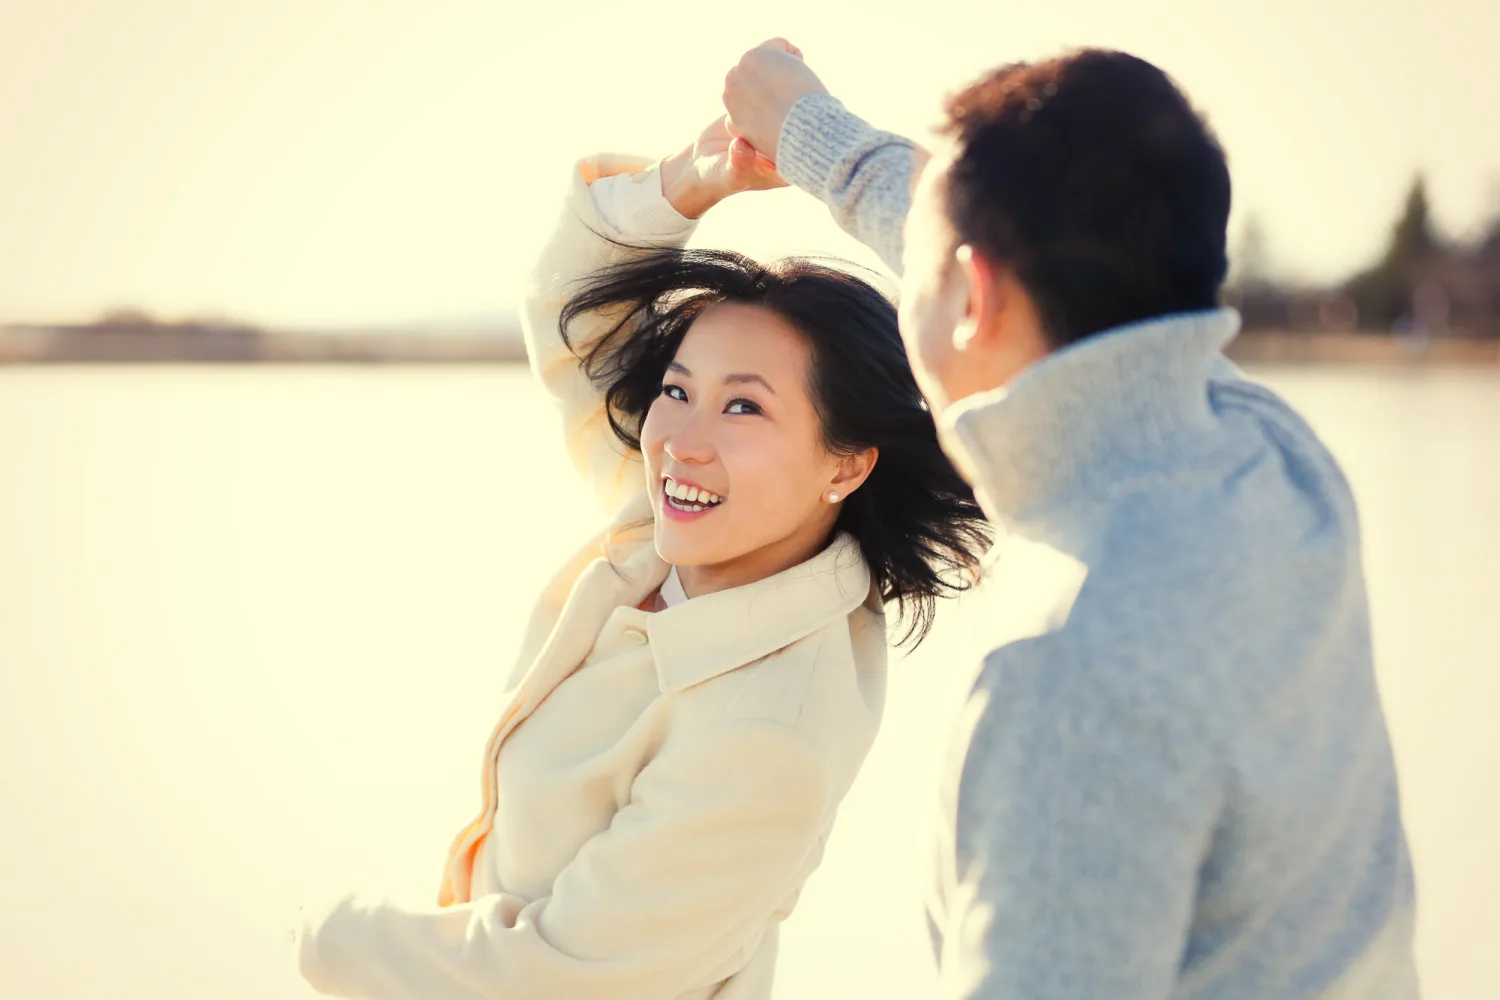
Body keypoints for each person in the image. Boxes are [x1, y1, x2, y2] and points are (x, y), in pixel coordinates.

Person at [722, 41, 1419, 999]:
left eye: (920, 269)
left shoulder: (1070, 670)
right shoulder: (1275, 455)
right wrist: (814, 135)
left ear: (975, 295)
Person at [291, 114, 991, 1000]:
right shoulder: (671, 538)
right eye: (675, 390)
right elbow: (572, 308)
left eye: (744, 409)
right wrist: (695, 178)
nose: (679, 443)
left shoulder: (767, 728)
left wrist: (324, 934)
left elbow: (562, 979)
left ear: (847, 463)